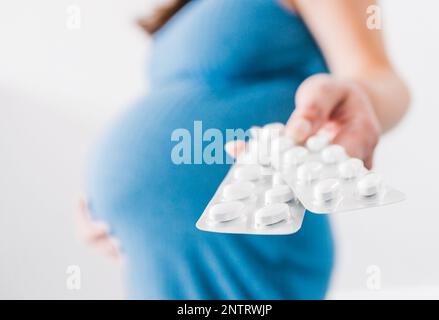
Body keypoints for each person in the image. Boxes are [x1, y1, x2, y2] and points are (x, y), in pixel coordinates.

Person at [77, 0, 409, 299]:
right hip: (157, 267)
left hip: (249, 254)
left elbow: (380, 77)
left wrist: (359, 95)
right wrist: (120, 216)